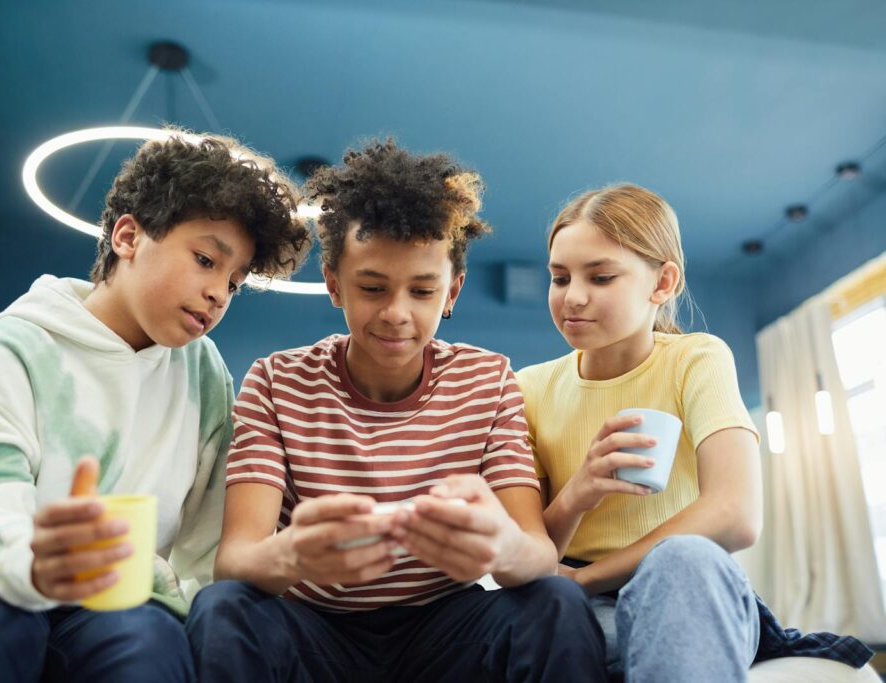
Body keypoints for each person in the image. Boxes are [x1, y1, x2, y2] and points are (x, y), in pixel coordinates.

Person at [0, 131, 311, 682]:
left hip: (121, 597)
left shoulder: (206, 376)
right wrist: (34, 561)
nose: (219, 294)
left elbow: (207, 546)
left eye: (234, 281)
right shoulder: (19, 342)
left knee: (147, 648)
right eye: (206, 259)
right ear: (128, 236)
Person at [186, 139, 606, 682]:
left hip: (444, 630)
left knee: (555, 602)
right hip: (314, 628)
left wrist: (498, 544)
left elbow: (538, 555)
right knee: (222, 610)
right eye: (372, 287)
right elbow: (235, 561)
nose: (396, 314)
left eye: (422, 291)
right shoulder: (275, 380)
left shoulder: (487, 379)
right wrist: (294, 554)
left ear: (451, 292)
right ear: (335, 284)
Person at [517, 183, 872, 681]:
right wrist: (577, 494)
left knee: (682, 560)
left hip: (691, 590)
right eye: (559, 278)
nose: (573, 297)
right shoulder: (527, 388)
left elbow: (736, 515)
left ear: (662, 283)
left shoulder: (696, 359)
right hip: (579, 607)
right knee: (545, 607)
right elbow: (529, 551)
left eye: (600, 277)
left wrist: (589, 577)